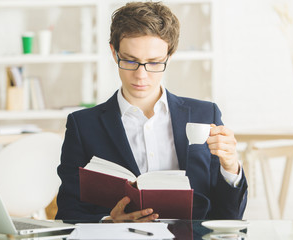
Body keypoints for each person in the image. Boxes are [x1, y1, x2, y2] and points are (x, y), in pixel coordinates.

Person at [56, 1, 247, 222]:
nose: (141, 75)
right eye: (130, 60)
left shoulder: (205, 115)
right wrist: (108, 222)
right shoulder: (82, 125)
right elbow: (67, 213)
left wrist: (231, 166)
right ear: (114, 52)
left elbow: (230, 216)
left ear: (169, 56)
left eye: (154, 63)